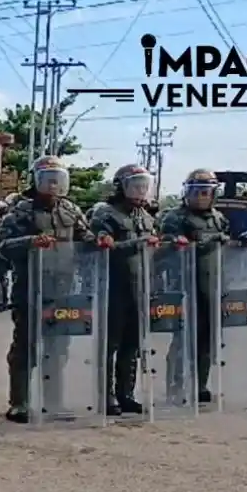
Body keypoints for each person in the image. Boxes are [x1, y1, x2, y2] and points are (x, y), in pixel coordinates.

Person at [0, 155, 98, 423]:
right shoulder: (21, 210)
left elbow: (85, 237)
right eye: (48, 180)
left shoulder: (71, 210)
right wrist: (31, 241)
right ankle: (19, 402)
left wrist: (99, 242)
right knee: (25, 345)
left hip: (63, 288)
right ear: (36, 181)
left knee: (58, 346)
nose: (53, 185)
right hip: (30, 286)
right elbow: (3, 246)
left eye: (58, 180)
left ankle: (54, 401)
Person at [157, 169, 239, 404]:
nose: (202, 196)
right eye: (197, 191)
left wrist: (240, 241)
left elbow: (226, 241)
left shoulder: (218, 218)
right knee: (183, 338)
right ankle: (177, 385)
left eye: (206, 191)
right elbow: (166, 248)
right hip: (184, 283)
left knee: (209, 337)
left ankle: (200, 384)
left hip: (212, 284)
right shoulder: (175, 217)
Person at [90, 164, 160, 416]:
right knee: (110, 345)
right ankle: (106, 395)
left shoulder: (147, 216)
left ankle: (126, 394)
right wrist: (138, 243)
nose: (140, 190)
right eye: (135, 185)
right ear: (120, 187)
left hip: (141, 287)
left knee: (133, 344)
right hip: (113, 286)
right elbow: (100, 248)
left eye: (144, 185)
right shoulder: (105, 214)